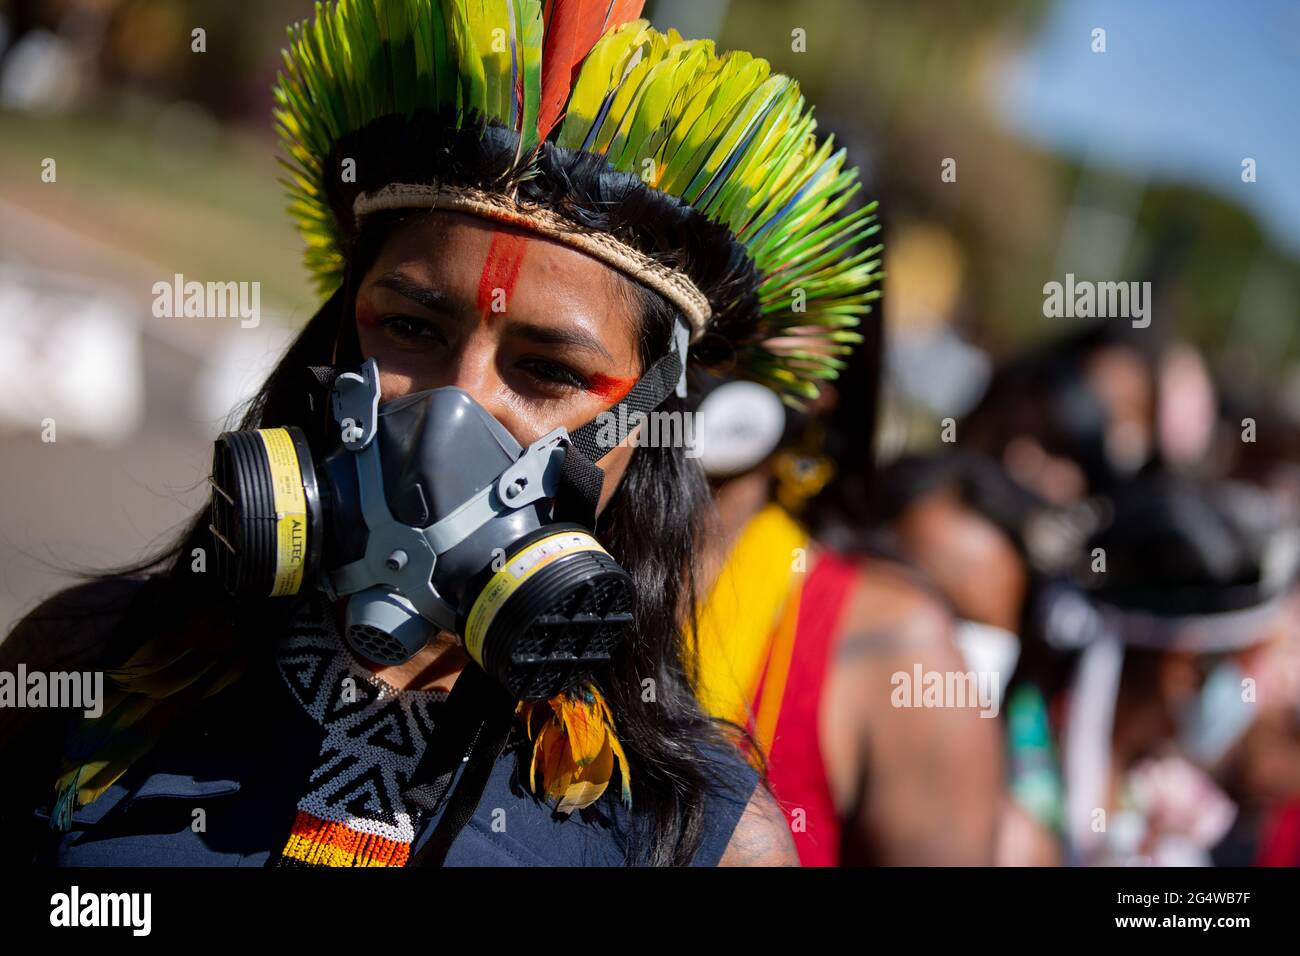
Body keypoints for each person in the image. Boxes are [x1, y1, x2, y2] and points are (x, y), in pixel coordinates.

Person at [0, 0, 879, 867]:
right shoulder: (87, 667)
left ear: (644, 426)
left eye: (549, 370)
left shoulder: (697, 840)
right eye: (413, 329)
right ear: (341, 337)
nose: (455, 406)